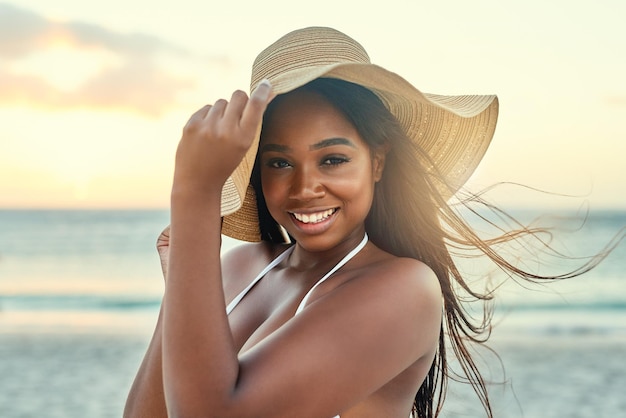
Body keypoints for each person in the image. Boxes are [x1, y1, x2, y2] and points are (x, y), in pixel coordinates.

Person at [123, 27, 604, 418]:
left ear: (377, 163)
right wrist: (183, 281)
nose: (305, 187)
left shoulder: (403, 289)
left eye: (332, 160)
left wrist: (194, 197)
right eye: (279, 162)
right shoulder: (240, 266)